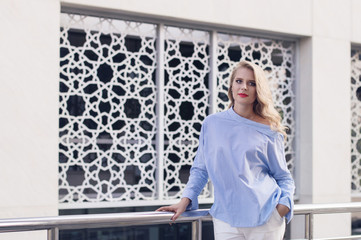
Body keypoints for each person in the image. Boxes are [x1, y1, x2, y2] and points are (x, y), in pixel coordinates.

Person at [157, 60, 295, 240]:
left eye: (251, 83)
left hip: (266, 217)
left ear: (258, 90)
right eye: (239, 81)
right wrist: (185, 201)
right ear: (231, 86)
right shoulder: (212, 124)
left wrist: (282, 207)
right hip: (226, 219)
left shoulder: (269, 130)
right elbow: (200, 169)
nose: (244, 87)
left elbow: (283, 177)